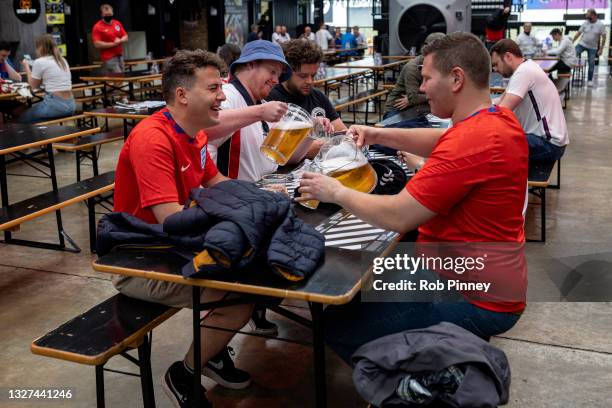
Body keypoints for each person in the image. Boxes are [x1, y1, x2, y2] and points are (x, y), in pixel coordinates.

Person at [298, 32, 527, 363]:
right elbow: (444, 139)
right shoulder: (497, 120)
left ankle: (415, 388)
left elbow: (397, 215)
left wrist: (334, 190)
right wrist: (378, 134)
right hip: (481, 276)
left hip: (472, 295)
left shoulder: (473, 140)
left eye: (427, 78)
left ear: (457, 79)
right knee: (362, 286)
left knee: (336, 325)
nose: (420, 88)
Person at [113, 49, 254, 407]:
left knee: (259, 269)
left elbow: (217, 179)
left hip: (172, 249)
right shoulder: (153, 139)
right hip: (139, 262)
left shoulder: (197, 133)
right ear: (182, 95)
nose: (223, 95)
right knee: (243, 296)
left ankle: (214, 350)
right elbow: (173, 220)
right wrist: (233, 216)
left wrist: (259, 197)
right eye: (214, 88)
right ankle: (185, 373)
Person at [491, 39, 568, 162]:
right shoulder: (527, 66)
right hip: (548, 141)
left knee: (491, 146)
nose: (495, 69)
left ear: (508, 57)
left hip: (548, 144)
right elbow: (499, 101)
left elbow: (502, 111)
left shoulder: (524, 72)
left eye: (496, 64)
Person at [268, 39, 346, 157]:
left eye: (313, 75)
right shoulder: (271, 100)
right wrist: (326, 142)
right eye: (303, 76)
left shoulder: (318, 97)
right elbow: (279, 150)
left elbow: (343, 134)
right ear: (286, 71)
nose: (310, 81)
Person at [383, 32, 445, 128]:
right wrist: (435, 96)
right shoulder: (412, 68)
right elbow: (413, 98)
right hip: (398, 110)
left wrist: (417, 99)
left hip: (417, 108)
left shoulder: (437, 65)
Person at [18, 35, 75, 123]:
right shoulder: (63, 60)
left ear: (40, 48)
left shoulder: (40, 61)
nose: (36, 50)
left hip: (55, 106)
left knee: (23, 118)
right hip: (71, 105)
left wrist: (26, 66)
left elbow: (33, 86)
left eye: (36, 47)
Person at [573, 8, 606, 86]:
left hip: (593, 48)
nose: (586, 16)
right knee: (572, 55)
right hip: (582, 44)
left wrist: (601, 49)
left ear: (593, 15)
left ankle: (590, 80)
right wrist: (572, 42)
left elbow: (604, 37)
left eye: (588, 15)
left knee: (591, 64)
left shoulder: (600, 25)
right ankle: (566, 74)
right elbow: (578, 33)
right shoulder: (585, 23)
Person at [92, 3, 128, 74]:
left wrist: (120, 40)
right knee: (118, 78)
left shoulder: (117, 23)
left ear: (112, 13)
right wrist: (113, 44)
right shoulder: (97, 27)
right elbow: (97, 44)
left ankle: (108, 85)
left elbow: (125, 36)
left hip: (120, 56)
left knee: (120, 78)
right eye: (106, 15)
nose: (108, 16)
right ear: (102, 15)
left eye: (110, 14)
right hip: (109, 58)